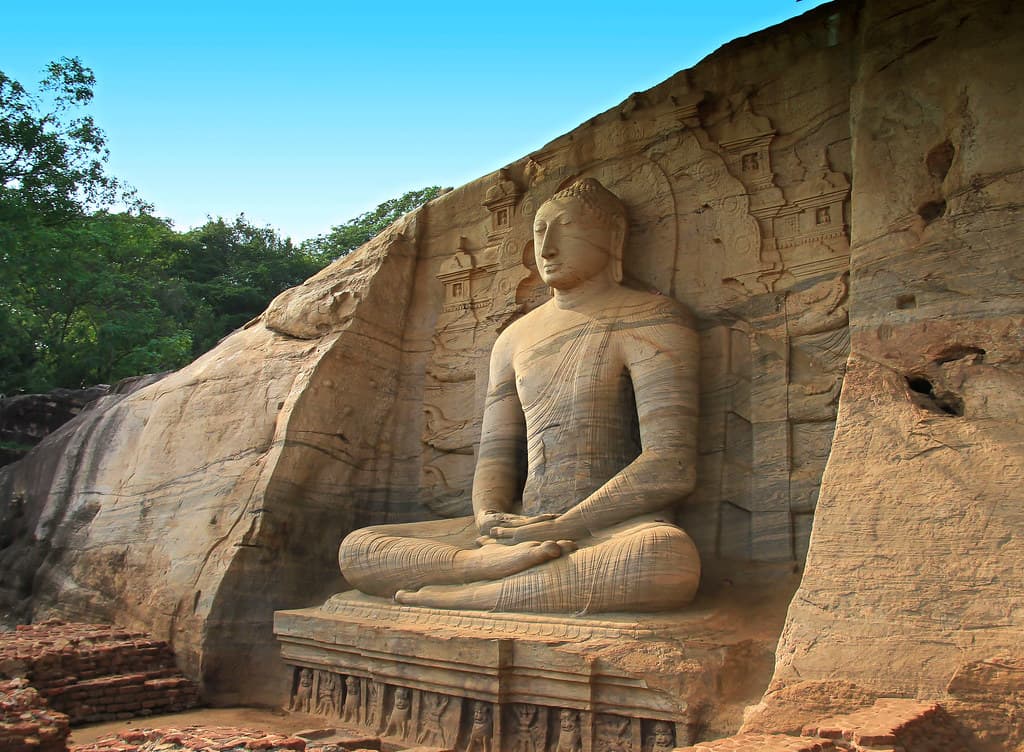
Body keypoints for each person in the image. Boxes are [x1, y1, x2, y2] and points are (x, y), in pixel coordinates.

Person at [338, 178, 700, 613]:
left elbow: (671, 464)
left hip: (608, 530)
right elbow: (495, 457)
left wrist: (569, 523)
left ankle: (475, 595)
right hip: (515, 532)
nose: (546, 248)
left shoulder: (652, 317)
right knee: (359, 547)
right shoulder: (514, 338)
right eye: (540, 231)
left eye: (565, 227)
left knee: (663, 557)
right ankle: (480, 569)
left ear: (614, 237)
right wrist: (489, 517)